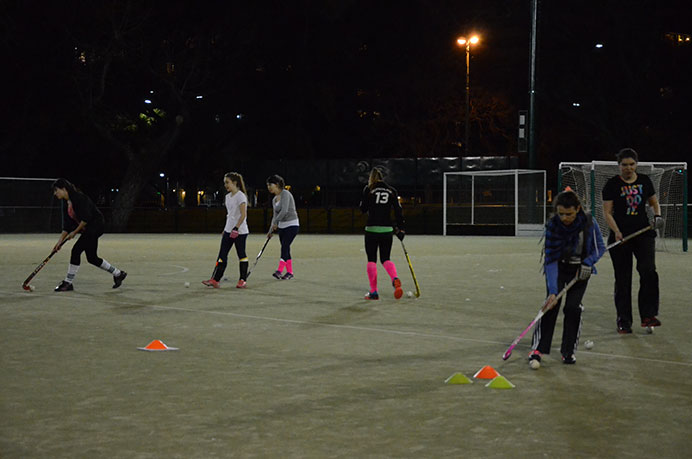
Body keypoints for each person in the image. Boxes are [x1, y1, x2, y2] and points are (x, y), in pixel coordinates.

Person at [528, 190, 605, 368]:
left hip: (581, 270)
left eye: (569, 214)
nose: (564, 218)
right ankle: (538, 348)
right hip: (559, 268)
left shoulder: (588, 223)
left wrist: (588, 263)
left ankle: (568, 350)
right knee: (550, 306)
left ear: (578, 209)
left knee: (572, 308)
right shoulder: (553, 226)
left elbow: (599, 248)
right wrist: (554, 291)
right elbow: (550, 260)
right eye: (561, 213)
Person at [602, 148, 664, 334]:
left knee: (648, 271)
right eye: (624, 165)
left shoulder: (645, 181)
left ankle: (648, 315)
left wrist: (657, 216)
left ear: (636, 164)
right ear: (619, 166)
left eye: (631, 164)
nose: (628, 168)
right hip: (621, 237)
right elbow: (607, 212)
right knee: (623, 279)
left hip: (643, 234)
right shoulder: (611, 185)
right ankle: (624, 320)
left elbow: (654, 203)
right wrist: (617, 232)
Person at [51, 178, 127, 291]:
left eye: (56, 190)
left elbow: (86, 218)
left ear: (64, 189)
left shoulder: (79, 198)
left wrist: (75, 232)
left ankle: (68, 282)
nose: (55, 193)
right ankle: (118, 274)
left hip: (96, 226)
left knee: (76, 250)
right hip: (88, 229)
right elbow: (66, 226)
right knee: (92, 258)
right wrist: (59, 242)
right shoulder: (65, 203)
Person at [359, 167, 405, 300]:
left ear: (371, 178)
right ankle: (395, 278)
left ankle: (374, 292)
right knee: (385, 258)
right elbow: (398, 211)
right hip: (387, 230)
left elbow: (363, 209)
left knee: (371, 259)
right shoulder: (392, 190)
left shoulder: (368, 190)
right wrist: (401, 229)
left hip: (372, 229)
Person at [202, 172, 250, 289]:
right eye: (225, 183)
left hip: (240, 231)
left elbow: (243, 214)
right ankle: (215, 279)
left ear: (235, 183)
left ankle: (242, 279)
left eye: (227, 182)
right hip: (229, 230)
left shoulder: (241, 196)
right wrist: (226, 229)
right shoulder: (228, 197)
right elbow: (230, 215)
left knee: (241, 254)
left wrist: (236, 228)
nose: (226, 185)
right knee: (222, 255)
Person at [266, 175, 299, 280]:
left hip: (292, 225)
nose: (269, 187)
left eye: (270, 185)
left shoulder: (285, 193)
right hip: (282, 227)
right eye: (267, 185)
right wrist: (271, 230)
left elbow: (284, 211)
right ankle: (290, 272)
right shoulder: (274, 199)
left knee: (284, 247)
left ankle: (279, 270)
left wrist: (276, 222)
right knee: (286, 249)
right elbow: (275, 216)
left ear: (277, 184)